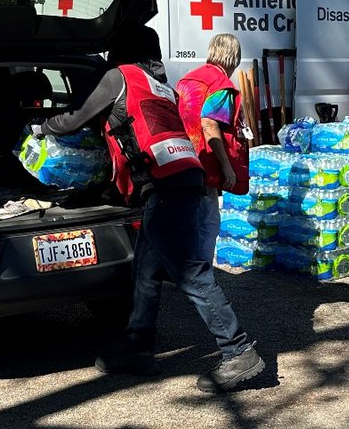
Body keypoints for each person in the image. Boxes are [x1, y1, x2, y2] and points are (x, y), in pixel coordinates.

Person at [40, 24, 265, 393]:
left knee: (191, 273)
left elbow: (76, 117)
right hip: (183, 178)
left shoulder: (120, 77)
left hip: (166, 186)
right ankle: (137, 347)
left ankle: (239, 351)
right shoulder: (160, 84)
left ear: (120, 51)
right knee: (145, 270)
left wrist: (42, 127)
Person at [176, 33, 250, 261]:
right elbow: (209, 123)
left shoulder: (187, 79)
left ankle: (184, 271)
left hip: (181, 159)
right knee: (208, 224)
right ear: (234, 57)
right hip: (204, 165)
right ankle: (202, 276)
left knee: (186, 223)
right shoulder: (221, 86)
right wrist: (227, 168)